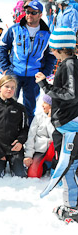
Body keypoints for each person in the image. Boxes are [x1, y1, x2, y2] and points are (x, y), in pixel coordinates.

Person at [35, 27, 78, 222]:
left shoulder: (69, 65)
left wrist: (45, 86)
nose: (51, 51)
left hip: (69, 123)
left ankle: (72, 207)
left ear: (60, 48)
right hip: (67, 122)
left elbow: (71, 94)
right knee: (71, 164)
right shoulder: (67, 63)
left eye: (52, 48)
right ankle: (72, 203)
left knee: (68, 166)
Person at [0, 0, 56, 124]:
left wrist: (45, 73)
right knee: (8, 105)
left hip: (34, 77)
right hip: (14, 73)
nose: (29, 15)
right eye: (27, 11)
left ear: (40, 14)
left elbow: (51, 56)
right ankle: (7, 133)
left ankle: (27, 134)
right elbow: (2, 47)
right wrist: (5, 68)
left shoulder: (47, 34)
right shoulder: (14, 29)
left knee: (29, 109)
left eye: (33, 12)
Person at [0, 75, 28, 178]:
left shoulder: (20, 108)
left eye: (13, 87)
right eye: (7, 86)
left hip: (14, 149)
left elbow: (25, 129)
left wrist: (20, 141)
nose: (10, 89)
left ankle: (16, 163)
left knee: (20, 175)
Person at [23, 94, 55, 178]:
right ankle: (45, 165)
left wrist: (49, 119)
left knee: (54, 143)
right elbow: (31, 136)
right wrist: (28, 155)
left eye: (45, 103)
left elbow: (54, 137)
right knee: (33, 174)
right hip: (40, 150)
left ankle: (54, 164)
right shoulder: (38, 117)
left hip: (53, 151)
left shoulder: (58, 118)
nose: (42, 105)